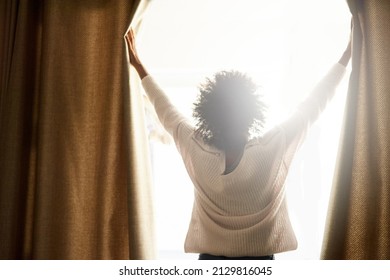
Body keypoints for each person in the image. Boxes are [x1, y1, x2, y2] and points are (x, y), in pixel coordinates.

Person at [125, 28, 351, 260]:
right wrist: (346, 56)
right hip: (259, 263)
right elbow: (313, 105)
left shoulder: (196, 147)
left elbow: (165, 109)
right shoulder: (273, 147)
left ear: (209, 115)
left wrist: (139, 66)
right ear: (251, 114)